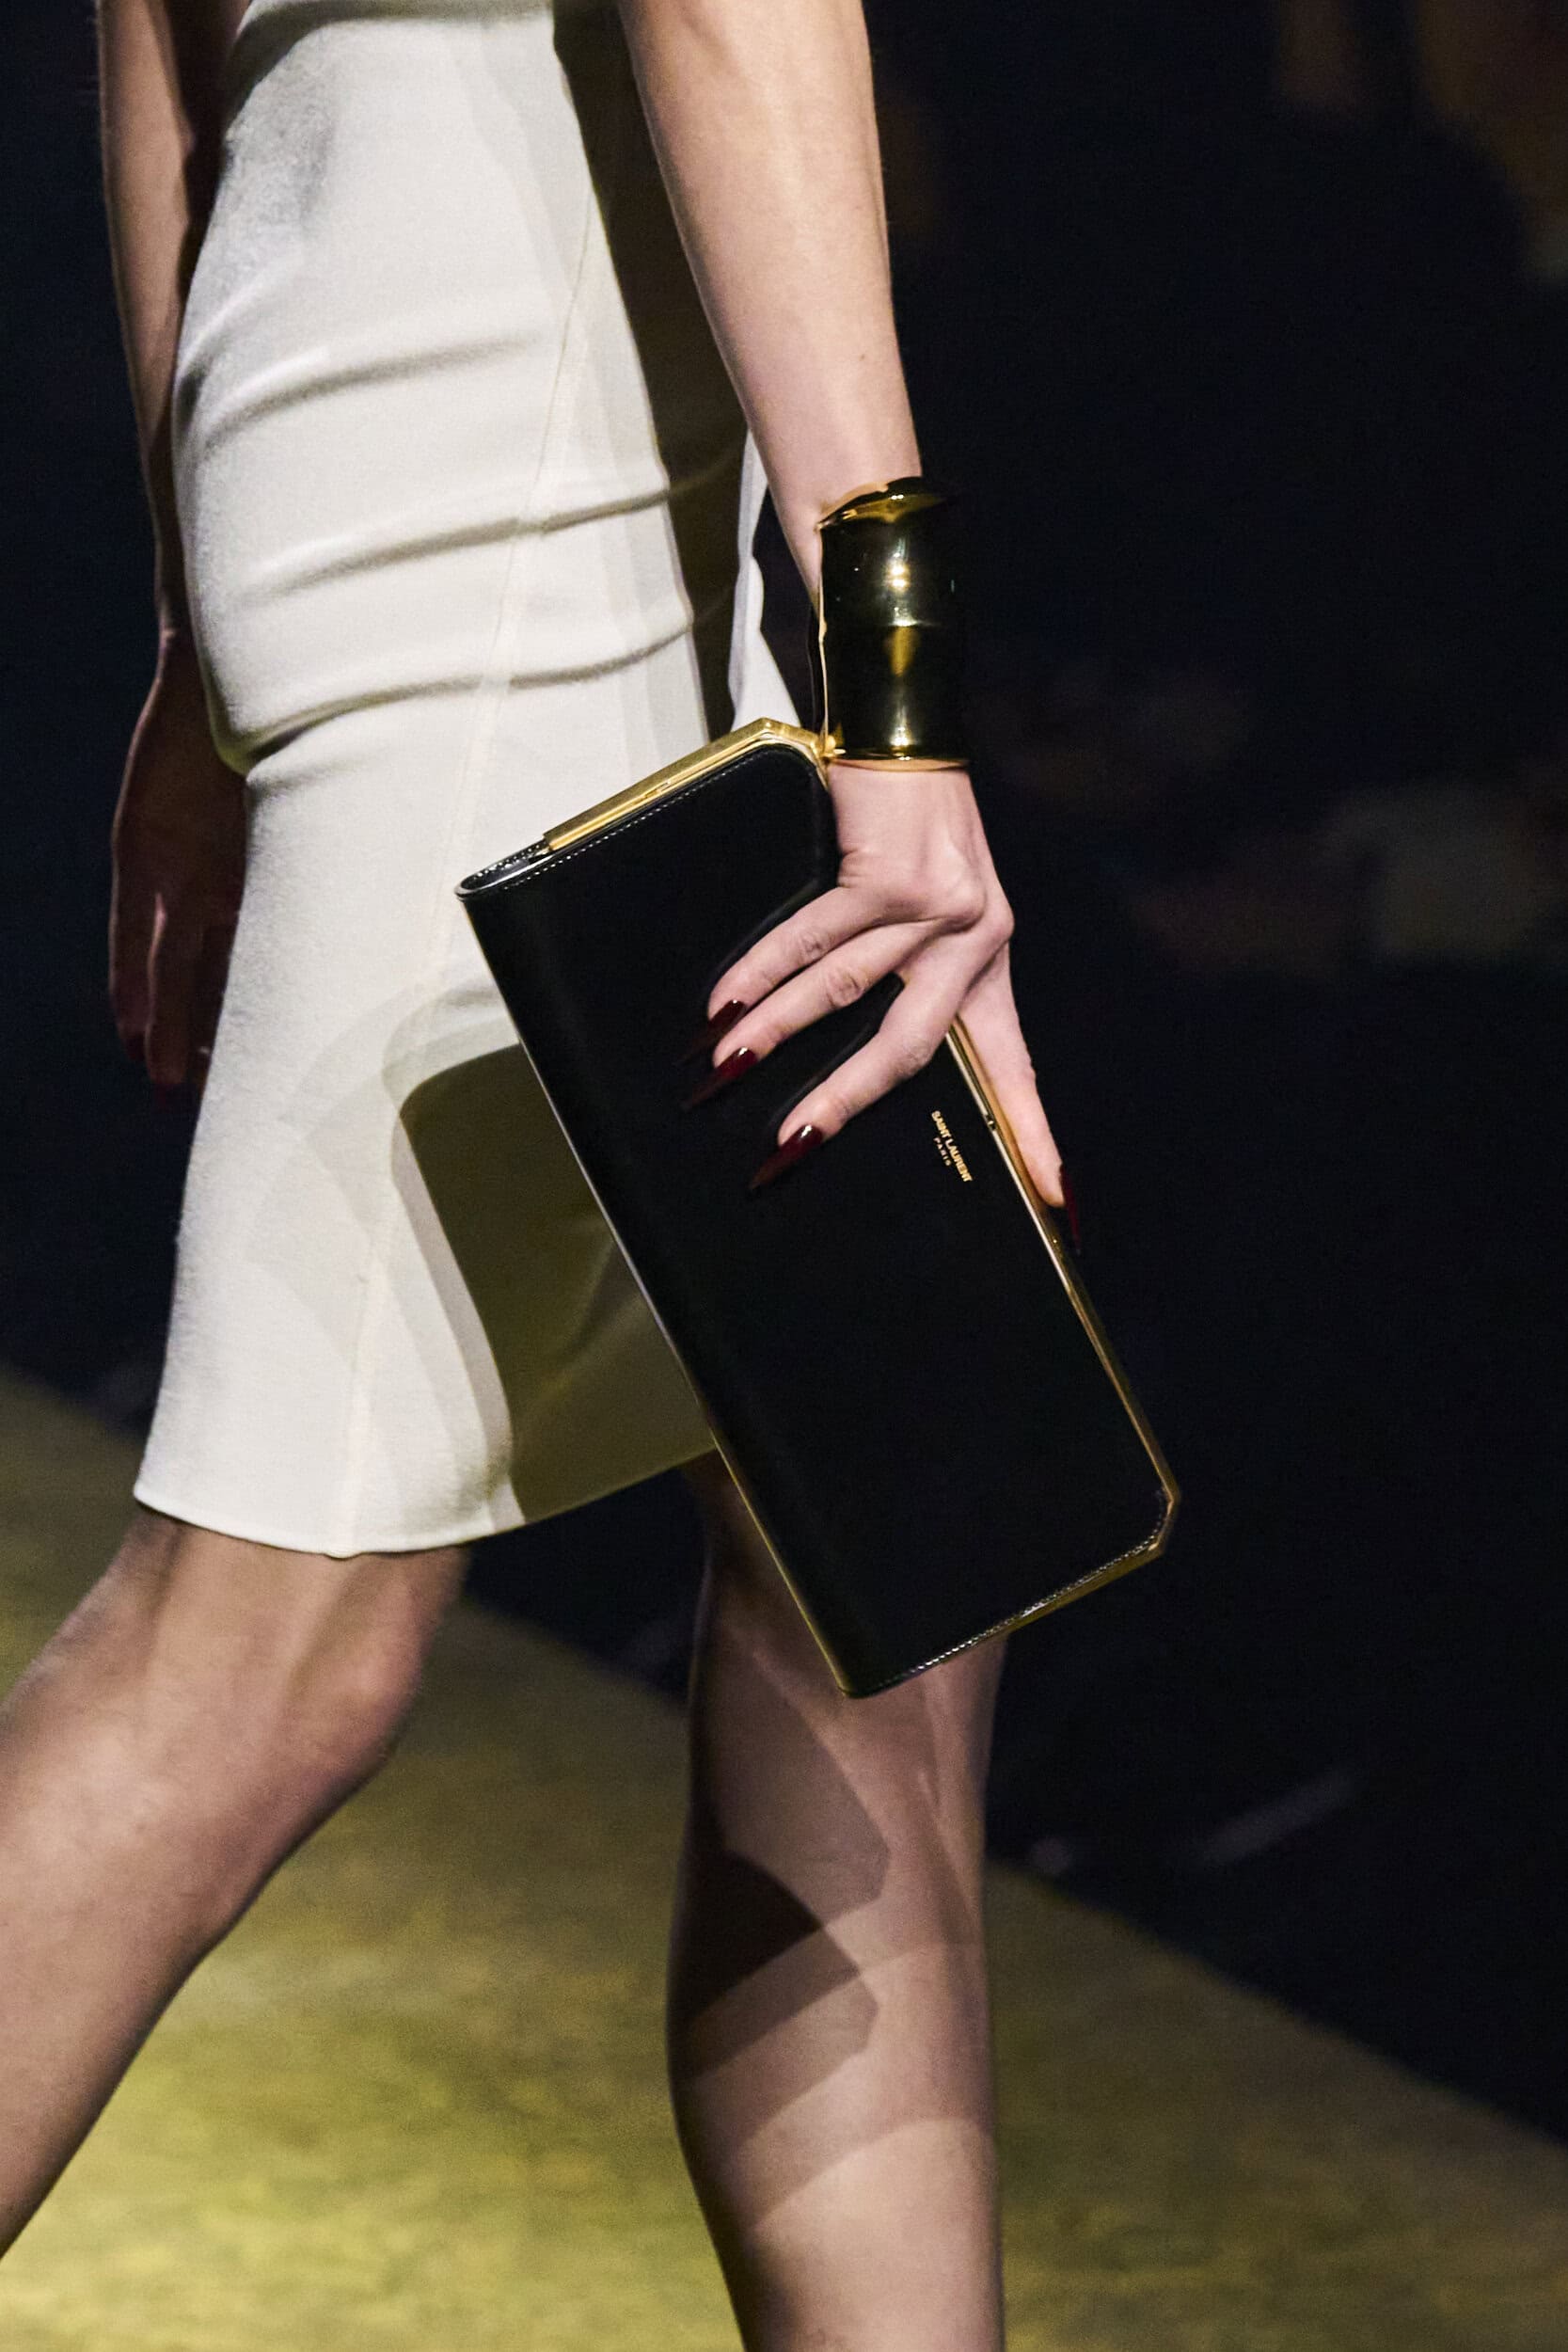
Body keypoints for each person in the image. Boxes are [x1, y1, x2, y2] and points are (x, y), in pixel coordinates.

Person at [1, 0, 1064, 2341]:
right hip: (548, 517)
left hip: (430, 443)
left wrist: (204, 631)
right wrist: (894, 689)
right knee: (251, 1657)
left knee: (875, 1588)